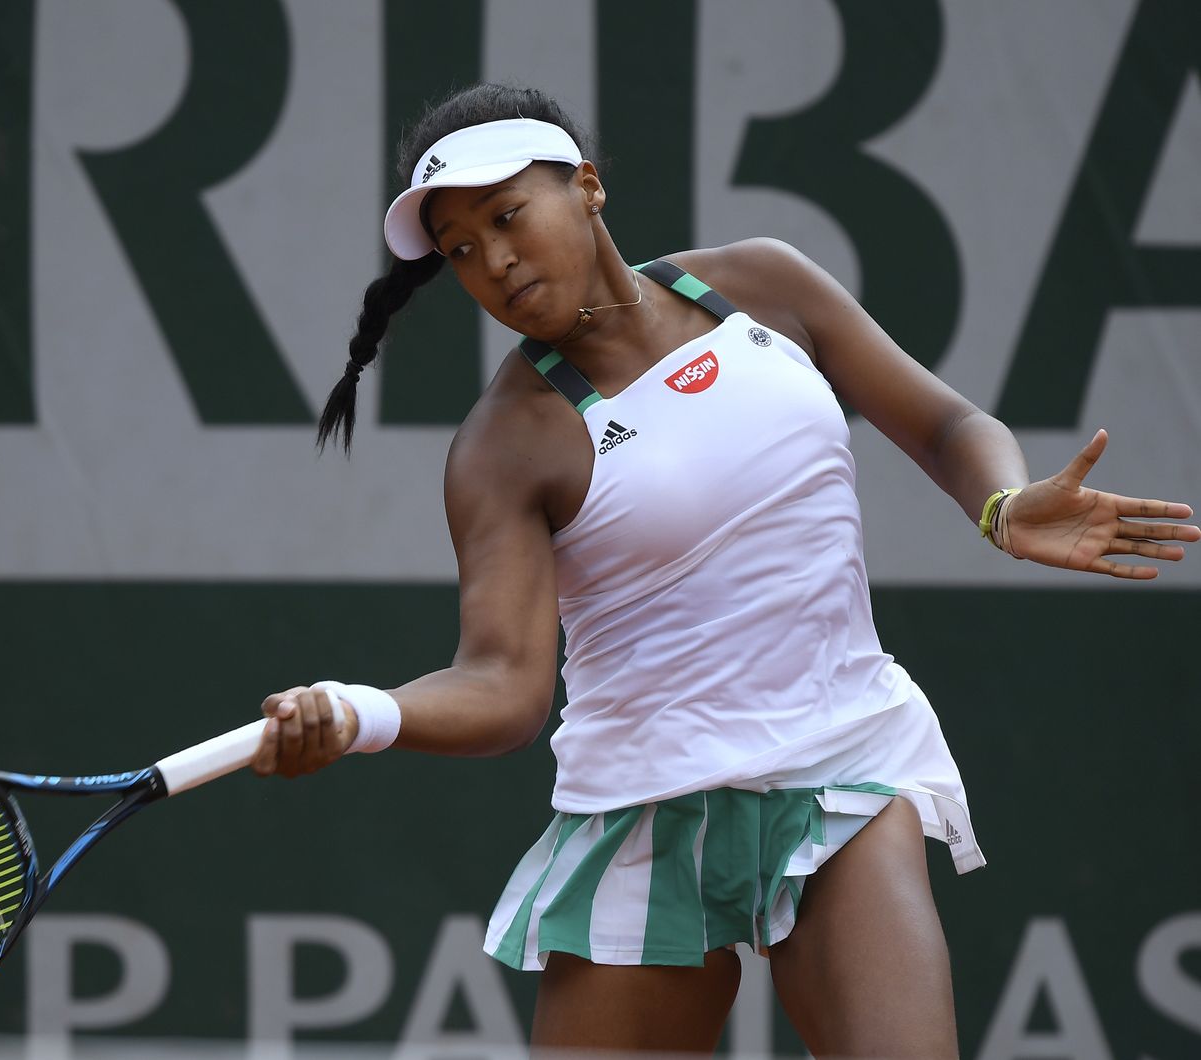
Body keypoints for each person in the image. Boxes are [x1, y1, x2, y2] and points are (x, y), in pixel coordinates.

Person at [248, 84, 1198, 1056]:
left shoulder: (764, 286)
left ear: (585, 186)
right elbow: (504, 684)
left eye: (506, 217)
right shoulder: (506, 444)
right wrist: (358, 712)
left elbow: (948, 424)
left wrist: (1001, 504)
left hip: (842, 767)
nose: (492, 261)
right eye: (458, 250)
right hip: (646, 805)